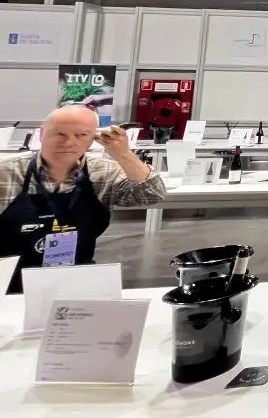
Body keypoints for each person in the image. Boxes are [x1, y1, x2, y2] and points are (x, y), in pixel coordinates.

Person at [0, 105, 165, 294]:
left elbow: (152, 194)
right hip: (8, 284)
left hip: (76, 279)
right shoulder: (6, 173)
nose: (69, 142)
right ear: (42, 133)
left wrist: (124, 154)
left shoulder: (103, 172)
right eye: (60, 133)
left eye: (81, 135)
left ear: (94, 138)